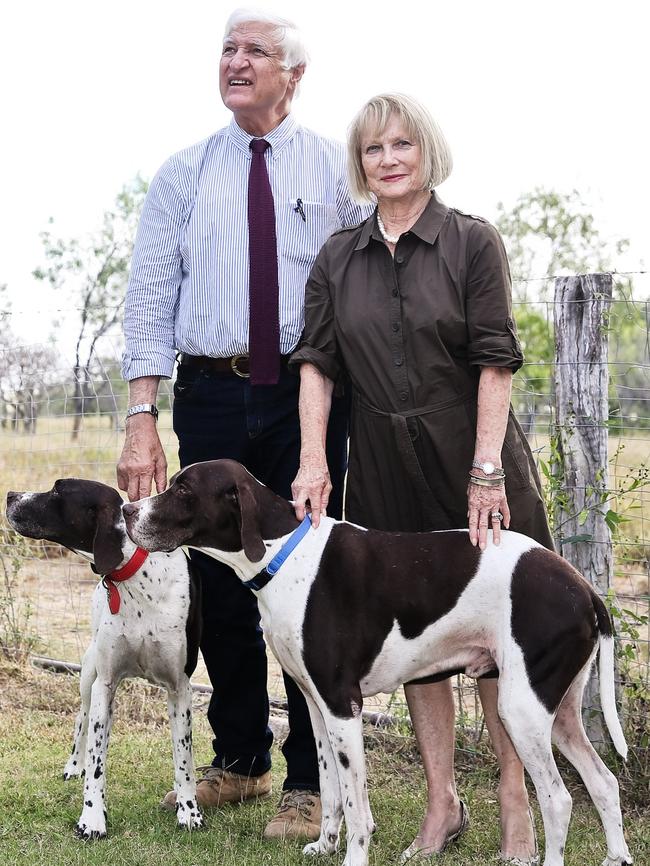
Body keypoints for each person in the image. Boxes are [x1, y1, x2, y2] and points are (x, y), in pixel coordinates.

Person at [117, 8, 370, 840]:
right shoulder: (182, 175)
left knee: (308, 575)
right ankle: (240, 759)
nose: (235, 61)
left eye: (254, 50)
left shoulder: (336, 171)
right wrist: (141, 418)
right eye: (226, 48)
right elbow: (151, 299)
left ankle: (308, 779)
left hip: (306, 394)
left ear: (294, 74)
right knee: (220, 580)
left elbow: (353, 294)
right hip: (213, 394)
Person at [290, 93, 554, 864]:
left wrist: (485, 470)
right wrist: (314, 460)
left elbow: (496, 359)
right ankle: (441, 805)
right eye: (374, 149)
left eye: (403, 143)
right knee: (414, 641)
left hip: (471, 457)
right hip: (378, 464)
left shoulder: (472, 242)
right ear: (360, 164)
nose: (389, 158)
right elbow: (317, 366)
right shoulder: (339, 255)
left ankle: (515, 802)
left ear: (426, 151)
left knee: (501, 638)